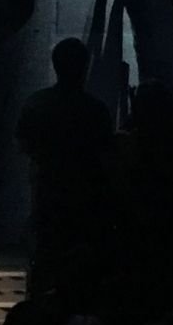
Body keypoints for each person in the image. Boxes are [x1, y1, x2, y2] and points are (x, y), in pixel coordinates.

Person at [15, 37, 113, 292]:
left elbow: (24, 145)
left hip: (49, 196)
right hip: (86, 201)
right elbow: (106, 155)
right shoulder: (96, 111)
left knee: (46, 263)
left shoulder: (36, 104)